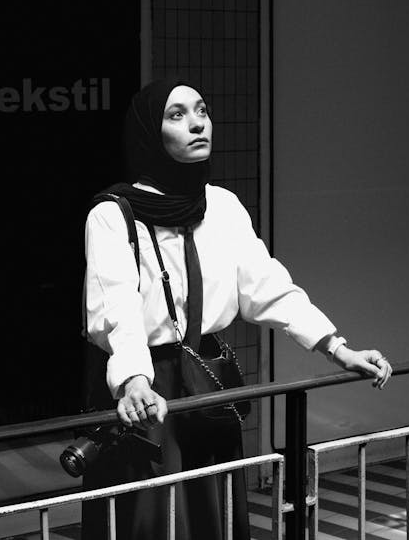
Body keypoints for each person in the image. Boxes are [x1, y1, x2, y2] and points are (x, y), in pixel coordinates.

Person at [81, 78, 392, 540]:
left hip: (204, 377)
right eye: (177, 115)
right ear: (150, 131)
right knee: (152, 519)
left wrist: (336, 347)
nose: (197, 123)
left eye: (202, 110)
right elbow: (117, 303)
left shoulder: (221, 206)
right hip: (146, 388)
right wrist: (134, 379)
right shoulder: (114, 214)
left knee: (214, 513)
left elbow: (267, 285)